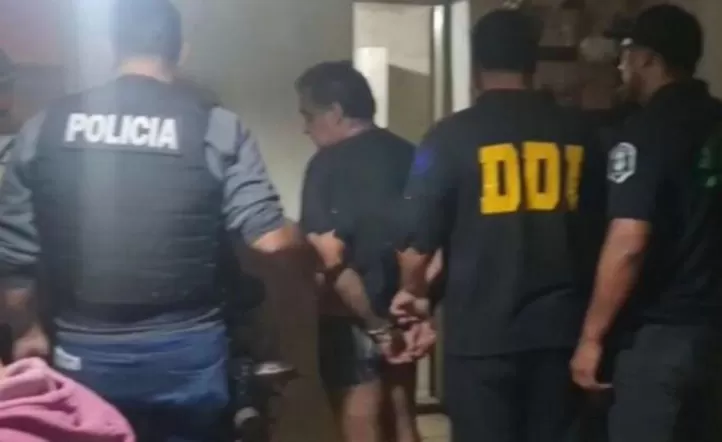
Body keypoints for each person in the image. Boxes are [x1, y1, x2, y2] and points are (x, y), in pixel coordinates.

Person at [0, 0, 310, 441]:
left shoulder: (45, 126)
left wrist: (27, 330)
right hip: (187, 348)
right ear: (182, 50)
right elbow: (271, 241)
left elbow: (15, 255)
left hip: (85, 345)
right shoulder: (215, 125)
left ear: (113, 46)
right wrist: (312, 247)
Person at [391, 9, 603, 442]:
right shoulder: (582, 133)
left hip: (480, 339)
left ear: (476, 68)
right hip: (561, 334)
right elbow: (604, 230)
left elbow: (415, 244)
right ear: (533, 63)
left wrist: (414, 294)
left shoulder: (447, 137)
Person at [571, 5, 722, 442]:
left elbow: (629, 241)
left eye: (626, 54)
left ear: (647, 59)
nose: (621, 66)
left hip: (659, 336)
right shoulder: (715, 120)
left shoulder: (645, 132)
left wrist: (591, 337)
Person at [296, 61, 433, 442]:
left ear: (335, 112)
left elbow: (330, 256)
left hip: (349, 317)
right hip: (404, 313)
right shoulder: (413, 155)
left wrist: (375, 326)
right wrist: (413, 312)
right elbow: (432, 241)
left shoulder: (324, 165)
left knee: (360, 423)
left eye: (308, 115)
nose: (305, 127)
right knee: (403, 419)